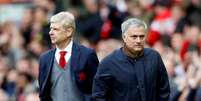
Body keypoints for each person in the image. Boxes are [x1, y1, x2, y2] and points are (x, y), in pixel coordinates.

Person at [92, 18, 170, 101]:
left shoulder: (154, 57)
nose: (138, 40)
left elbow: (164, 89)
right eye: (134, 37)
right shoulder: (108, 63)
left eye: (142, 36)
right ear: (124, 37)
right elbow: (99, 96)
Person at [38, 11, 99, 101]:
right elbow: (43, 92)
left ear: (69, 31)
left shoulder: (87, 55)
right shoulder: (44, 59)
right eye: (51, 29)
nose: (50, 32)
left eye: (56, 29)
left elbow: (97, 88)